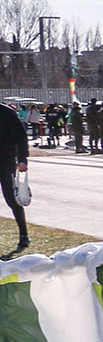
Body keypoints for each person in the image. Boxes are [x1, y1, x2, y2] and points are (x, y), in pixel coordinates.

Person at [0, 97, 25, 258]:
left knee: (12, 200)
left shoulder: (7, 113)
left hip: (5, 162)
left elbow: (21, 137)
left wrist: (22, 159)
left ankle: (23, 235)